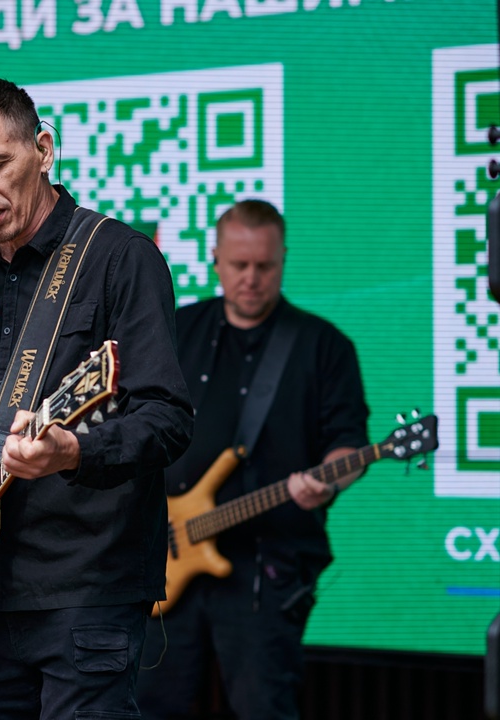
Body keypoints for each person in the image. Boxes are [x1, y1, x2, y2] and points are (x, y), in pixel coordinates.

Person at [0, 77, 194, 720]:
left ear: (43, 148)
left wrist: (72, 451)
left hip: (85, 582)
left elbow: (168, 419)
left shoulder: (119, 257)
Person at [134, 199, 370, 719]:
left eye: (265, 266)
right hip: (167, 554)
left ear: (283, 259)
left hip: (268, 568)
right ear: (215, 258)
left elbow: (349, 445)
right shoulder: (176, 329)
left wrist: (328, 482)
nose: (251, 278)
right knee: (147, 704)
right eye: (239, 265)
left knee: (265, 705)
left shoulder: (324, 347)